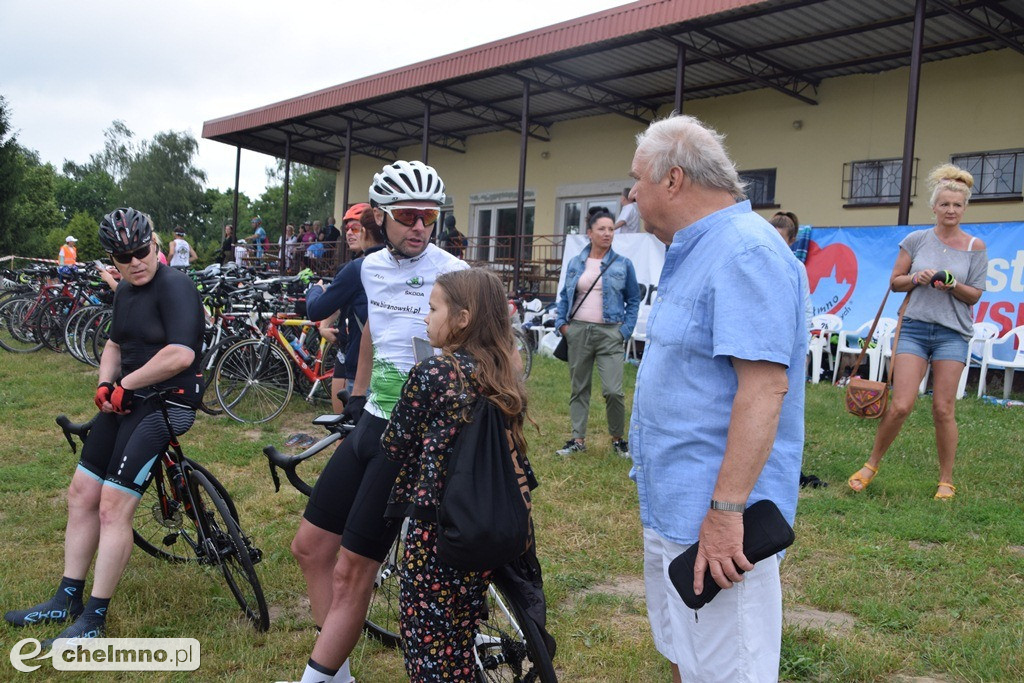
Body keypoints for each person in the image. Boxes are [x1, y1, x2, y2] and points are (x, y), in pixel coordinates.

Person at [628, 115, 806, 682]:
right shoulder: (697, 248)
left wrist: (727, 513)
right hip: (677, 505)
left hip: (719, 520)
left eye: (638, 179)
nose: (632, 193)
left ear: (673, 179)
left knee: (731, 670)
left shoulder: (744, 253)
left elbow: (763, 388)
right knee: (689, 656)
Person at [291, 160, 468, 683]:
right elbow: (373, 329)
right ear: (381, 217)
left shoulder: (453, 273)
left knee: (353, 570)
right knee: (310, 548)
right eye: (409, 215)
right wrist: (358, 394)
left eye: (429, 216)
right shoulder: (367, 269)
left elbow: (497, 353)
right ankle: (338, 673)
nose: (420, 226)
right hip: (371, 424)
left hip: (413, 436)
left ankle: (318, 680)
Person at [4, 207, 204, 643]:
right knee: (82, 493)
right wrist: (105, 382)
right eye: (122, 256)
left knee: (113, 506)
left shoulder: (176, 286)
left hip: (169, 403)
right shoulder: (127, 290)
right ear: (111, 258)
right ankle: (67, 597)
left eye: (141, 251)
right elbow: (114, 342)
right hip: (127, 401)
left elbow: (180, 354)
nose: (135, 262)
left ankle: (94, 617)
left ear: (155, 243)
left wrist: (125, 385)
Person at [382, 268, 533, 682]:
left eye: (433, 309)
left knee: (427, 643)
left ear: (462, 319)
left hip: (437, 531)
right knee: (460, 633)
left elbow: (395, 444)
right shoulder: (501, 373)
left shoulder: (433, 374)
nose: (425, 318)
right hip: (487, 526)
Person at [847, 164, 987, 500]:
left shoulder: (975, 247)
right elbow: (895, 283)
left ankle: (946, 480)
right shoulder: (915, 239)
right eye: (945, 204)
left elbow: (976, 295)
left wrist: (952, 284)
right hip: (913, 328)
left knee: (943, 408)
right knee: (900, 405)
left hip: (953, 333)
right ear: (934, 207)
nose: (950, 210)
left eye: (957, 205)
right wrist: (916, 277)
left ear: (964, 208)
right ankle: (871, 465)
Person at [554, 209, 639, 457]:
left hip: (610, 333)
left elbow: (634, 300)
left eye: (611, 229)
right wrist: (563, 325)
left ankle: (617, 440)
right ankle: (577, 441)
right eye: (602, 229)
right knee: (579, 388)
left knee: (614, 390)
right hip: (578, 332)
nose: (607, 233)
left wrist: (624, 331)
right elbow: (564, 296)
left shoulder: (623, 264)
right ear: (589, 233)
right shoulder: (575, 263)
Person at [770, 211, 826, 489]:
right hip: (764, 348)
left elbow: (805, 310)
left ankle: (789, 469)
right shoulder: (760, 262)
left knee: (788, 414)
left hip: (788, 350)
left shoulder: (796, 268)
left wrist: (799, 350)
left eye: (783, 239)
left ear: (792, 241)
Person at [310, 205, 382, 413]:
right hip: (352, 349)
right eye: (347, 228)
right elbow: (340, 303)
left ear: (367, 231)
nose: (349, 233)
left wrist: (315, 290)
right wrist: (324, 326)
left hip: (361, 359)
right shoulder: (353, 266)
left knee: (350, 428)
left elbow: (318, 308)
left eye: (355, 228)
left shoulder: (359, 268)